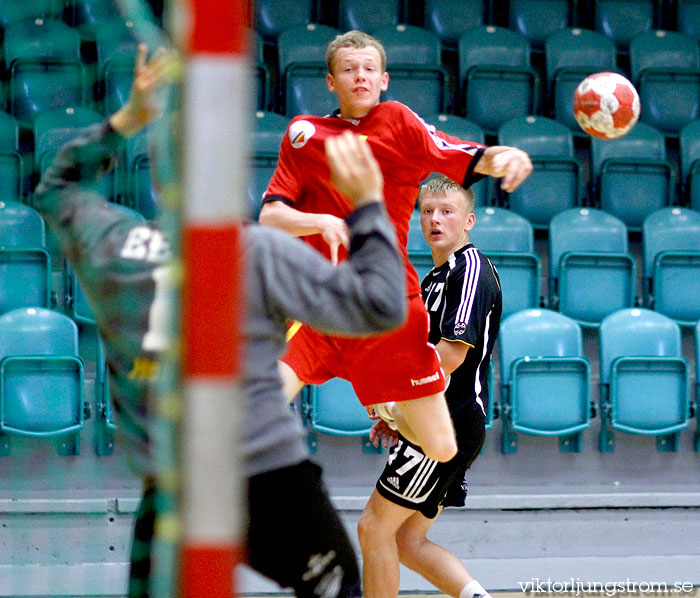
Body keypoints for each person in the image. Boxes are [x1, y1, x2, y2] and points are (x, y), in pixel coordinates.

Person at [34, 45, 409, 598]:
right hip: (265, 474)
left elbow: (53, 189)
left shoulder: (114, 246)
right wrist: (369, 205)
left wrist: (126, 120)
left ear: (158, 178)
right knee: (339, 589)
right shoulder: (256, 253)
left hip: (173, 485)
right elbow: (382, 305)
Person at [258, 29, 530, 597]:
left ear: (383, 80)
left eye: (369, 69)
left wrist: (500, 155)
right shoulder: (305, 135)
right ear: (330, 81)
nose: (359, 77)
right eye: (348, 69)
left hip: (386, 310)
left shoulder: (400, 125)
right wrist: (322, 223)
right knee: (252, 403)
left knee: (443, 447)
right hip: (318, 305)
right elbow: (270, 219)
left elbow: (458, 156)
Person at [363, 175, 502, 598]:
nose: (435, 219)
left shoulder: (469, 270)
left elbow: (450, 355)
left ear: (469, 221)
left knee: (374, 529)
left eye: (447, 211)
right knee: (406, 541)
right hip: (436, 421)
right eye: (427, 211)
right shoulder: (433, 279)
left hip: (447, 422)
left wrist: (399, 406)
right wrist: (400, 417)